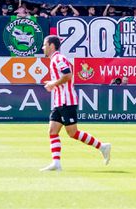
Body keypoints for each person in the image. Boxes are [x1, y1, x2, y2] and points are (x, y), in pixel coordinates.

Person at [40, 35, 111, 171]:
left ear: (51, 45)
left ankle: (103, 146)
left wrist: (52, 83)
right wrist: (53, 84)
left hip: (67, 101)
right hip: (59, 101)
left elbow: (68, 75)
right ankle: (56, 163)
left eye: (44, 44)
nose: (43, 47)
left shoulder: (58, 58)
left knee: (72, 133)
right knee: (52, 131)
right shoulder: (55, 59)